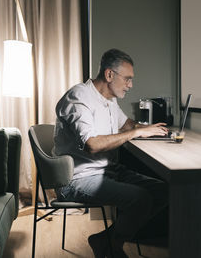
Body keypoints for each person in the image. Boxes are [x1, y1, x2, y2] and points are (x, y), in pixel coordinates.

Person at [53, 48, 169, 258]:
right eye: (127, 79)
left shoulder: (109, 99)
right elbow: (92, 145)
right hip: (77, 178)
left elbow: (126, 125)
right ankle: (113, 245)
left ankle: (105, 241)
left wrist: (150, 129)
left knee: (164, 191)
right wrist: (135, 133)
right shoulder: (79, 97)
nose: (130, 85)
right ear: (109, 75)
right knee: (140, 198)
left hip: (106, 171)